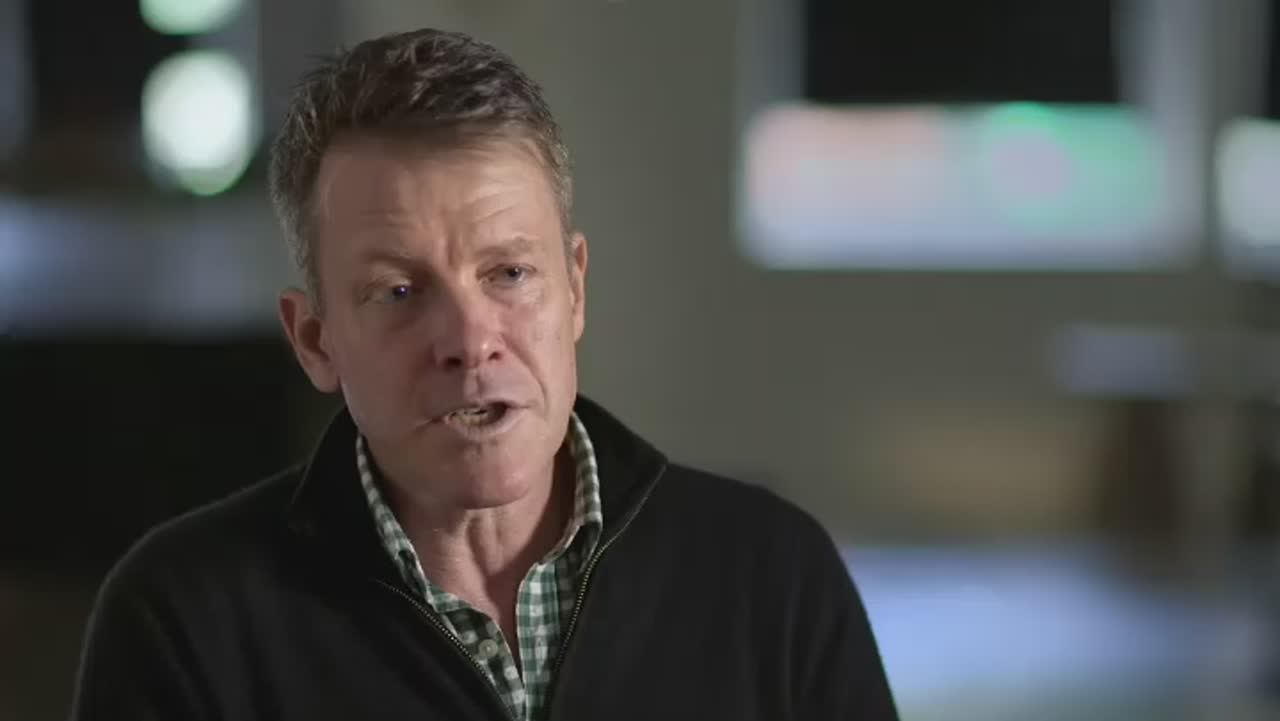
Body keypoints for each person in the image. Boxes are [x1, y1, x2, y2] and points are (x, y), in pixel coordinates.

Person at [70, 28, 898, 721]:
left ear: (575, 290)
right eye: (399, 292)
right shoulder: (184, 619)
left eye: (509, 273)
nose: (470, 342)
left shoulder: (770, 576)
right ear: (315, 340)